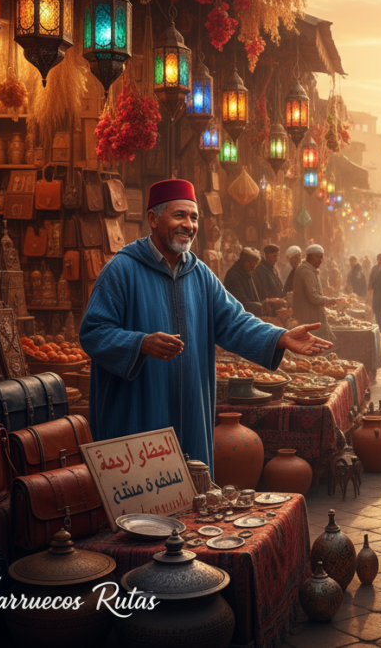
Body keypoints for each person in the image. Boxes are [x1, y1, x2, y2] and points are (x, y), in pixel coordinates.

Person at [80, 179, 330, 467]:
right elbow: (93, 332)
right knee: (140, 505)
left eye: (194, 217)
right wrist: (141, 343)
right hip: (140, 413)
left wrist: (280, 337)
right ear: (153, 218)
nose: (189, 224)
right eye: (179, 215)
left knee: (192, 499)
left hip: (191, 414)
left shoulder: (200, 275)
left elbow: (234, 322)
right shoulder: (122, 270)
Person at [293, 244, 337, 340]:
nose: (320, 260)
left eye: (322, 257)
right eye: (317, 256)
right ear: (309, 256)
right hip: (308, 317)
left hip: (307, 316)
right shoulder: (307, 272)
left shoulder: (309, 270)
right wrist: (329, 300)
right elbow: (313, 297)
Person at [223, 248, 264, 316]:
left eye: (255, 265)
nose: (253, 268)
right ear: (244, 261)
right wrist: (261, 307)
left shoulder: (245, 272)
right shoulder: (234, 276)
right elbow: (241, 302)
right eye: (251, 264)